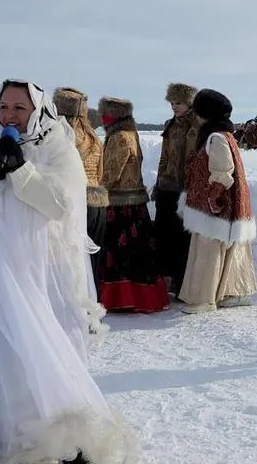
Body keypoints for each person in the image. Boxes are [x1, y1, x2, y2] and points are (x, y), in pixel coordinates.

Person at [0, 80, 134, 464]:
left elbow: (62, 204)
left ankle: (78, 444)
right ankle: (1, 448)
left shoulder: (58, 147)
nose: (9, 115)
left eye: (19, 108)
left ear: (37, 110)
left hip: (43, 275)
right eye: (3, 106)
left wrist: (21, 170)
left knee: (51, 349)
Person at [177, 89, 257, 314]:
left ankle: (205, 299)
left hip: (215, 207)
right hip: (217, 206)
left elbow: (223, 171)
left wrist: (214, 197)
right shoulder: (221, 135)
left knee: (209, 250)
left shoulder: (217, 138)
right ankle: (227, 293)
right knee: (217, 249)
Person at [96, 96, 169, 313]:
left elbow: (109, 173)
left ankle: (121, 298)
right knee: (138, 252)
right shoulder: (131, 133)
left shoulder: (118, 137)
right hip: (134, 202)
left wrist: (94, 189)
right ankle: (142, 296)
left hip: (120, 204)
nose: (102, 117)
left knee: (121, 253)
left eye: (105, 113)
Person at [52, 88, 107, 296]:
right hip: (97, 201)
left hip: (74, 200)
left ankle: (74, 307)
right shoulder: (92, 135)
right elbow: (101, 170)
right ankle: (93, 305)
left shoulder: (61, 132)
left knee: (69, 259)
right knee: (92, 260)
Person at [153, 83, 198, 295]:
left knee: (184, 238)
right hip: (168, 187)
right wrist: (159, 181)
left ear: (189, 102)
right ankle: (167, 280)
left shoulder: (197, 126)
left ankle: (183, 282)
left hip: (188, 188)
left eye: (178, 103)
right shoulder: (170, 125)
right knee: (165, 235)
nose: (174, 107)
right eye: (171, 103)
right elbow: (165, 156)